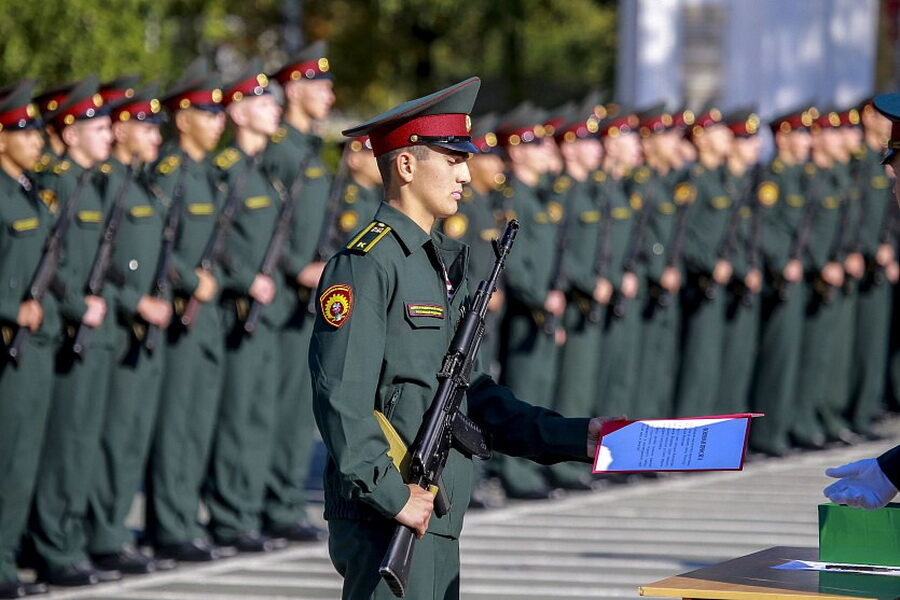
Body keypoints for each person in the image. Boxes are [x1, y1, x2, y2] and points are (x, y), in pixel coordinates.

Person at [309, 76, 611, 599]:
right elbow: (341, 397)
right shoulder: (366, 264)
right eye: (451, 159)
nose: (466, 174)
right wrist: (392, 495)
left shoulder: (436, 265)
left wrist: (573, 437)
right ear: (406, 165)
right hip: (388, 515)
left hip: (433, 509)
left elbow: (468, 395)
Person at [28, 75, 122, 587]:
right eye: (99, 125)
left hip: (91, 333)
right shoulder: (60, 181)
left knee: (83, 442)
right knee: (64, 445)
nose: (109, 134)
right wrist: (71, 303)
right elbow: (51, 261)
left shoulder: (93, 180)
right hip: (66, 332)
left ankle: (68, 539)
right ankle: (51, 545)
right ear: (70, 133)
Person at [144, 58, 232, 562]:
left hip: (206, 319)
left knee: (198, 421)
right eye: (207, 112)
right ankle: (168, 524)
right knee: (176, 424)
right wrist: (185, 277)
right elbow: (154, 244)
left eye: (220, 112)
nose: (218, 120)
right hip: (181, 314)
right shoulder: (171, 171)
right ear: (183, 119)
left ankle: (183, 518)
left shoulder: (206, 174)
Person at [87, 83, 176, 575]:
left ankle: (113, 531)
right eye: (144, 127)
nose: (154, 137)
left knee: (129, 436)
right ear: (120, 130)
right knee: (110, 437)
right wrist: (131, 301)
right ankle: (99, 534)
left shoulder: (143, 184)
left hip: (142, 333)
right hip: (116, 329)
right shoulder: (103, 183)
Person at [204, 60, 287, 553]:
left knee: (259, 416)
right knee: (235, 419)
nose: (272, 109)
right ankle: (228, 515)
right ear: (237, 112)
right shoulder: (226, 172)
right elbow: (213, 246)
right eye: (261, 102)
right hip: (236, 314)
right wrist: (240, 279)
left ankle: (247, 511)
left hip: (269, 316)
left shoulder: (267, 173)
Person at [261, 42, 335, 543]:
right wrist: (294, 267)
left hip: (303, 301)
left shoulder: (309, 149)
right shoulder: (278, 151)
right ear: (294, 90)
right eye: (321, 86)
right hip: (279, 297)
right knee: (267, 407)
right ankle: (266, 504)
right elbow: (259, 228)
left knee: (294, 409)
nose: (330, 95)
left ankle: (284, 500)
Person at [0, 80, 58, 599]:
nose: (36, 139)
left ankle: (8, 560)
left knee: (23, 461)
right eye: (24, 130)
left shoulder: (29, 191)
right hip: (8, 342)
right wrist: (9, 307)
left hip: (34, 346)